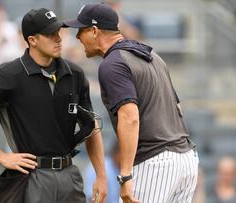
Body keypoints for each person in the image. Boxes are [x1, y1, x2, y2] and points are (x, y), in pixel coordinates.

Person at [0, 7, 107, 203]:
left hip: (69, 175)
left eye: (58, 32)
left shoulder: (75, 74)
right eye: (50, 34)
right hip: (31, 176)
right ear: (32, 40)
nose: (58, 38)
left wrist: (101, 176)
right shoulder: (8, 75)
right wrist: (0, 156)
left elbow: (91, 127)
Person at [64, 3, 198, 203]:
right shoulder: (153, 56)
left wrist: (125, 175)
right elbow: (177, 107)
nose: (77, 38)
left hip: (155, 163)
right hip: (185, 159)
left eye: (80, 31)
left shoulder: (112, 64)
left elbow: (129, 117)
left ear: (94, 31)